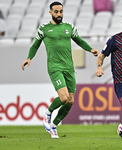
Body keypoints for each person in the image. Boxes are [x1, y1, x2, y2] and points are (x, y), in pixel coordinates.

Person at [21, 1, 99, 138]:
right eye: (56, 12)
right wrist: (29, 58)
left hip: (69, 67)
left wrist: (90, 49)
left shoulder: (69, 27)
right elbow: (35, 46)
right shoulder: (44, 29)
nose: (59, 14)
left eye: (61, 11)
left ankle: (54, 125)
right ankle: (48, 112)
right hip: (54, 67)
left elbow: (79, 41)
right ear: (50, 12)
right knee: (64, 97)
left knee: (70, 101)